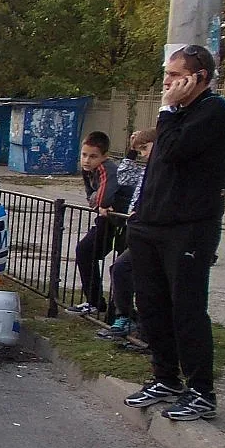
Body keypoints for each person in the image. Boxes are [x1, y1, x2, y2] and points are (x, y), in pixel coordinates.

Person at [124, 45, 225, 422]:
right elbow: (158, 167)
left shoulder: (213, 111)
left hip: (187, 230)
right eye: (166, 74)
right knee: (151, 305)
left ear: (199, 77)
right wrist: (140, 212)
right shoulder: (177, 115)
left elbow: (173, 151)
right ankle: (165, 376)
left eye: (175, 75)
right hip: (150, 225)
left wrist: (167, 110)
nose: (167, 82)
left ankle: (201, 390)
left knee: (186, 309)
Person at [96, 128, 157, 341]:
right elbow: (123, 175)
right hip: (139, 231)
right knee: (121, 269)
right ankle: (126, 318)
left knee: (144, 282)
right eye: (140, 151)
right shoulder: (146, 170)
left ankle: (146, 331)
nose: (144, 154)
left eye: (145, 148)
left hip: (154, 232)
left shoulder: (165, 170)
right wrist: (132, 151)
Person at [65, 131, 132, 315]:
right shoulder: (88, 171)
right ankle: (95, 302)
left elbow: (104, 196)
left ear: (104, 156)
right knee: (85, 251)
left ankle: (120, 312)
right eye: (84, 155)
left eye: (93, 156)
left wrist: (101, 203)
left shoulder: (106, 168)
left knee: (121, 265)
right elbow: (91, 197)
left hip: (124, 220)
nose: (87, 160)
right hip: (108, 219)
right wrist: (98, 203)